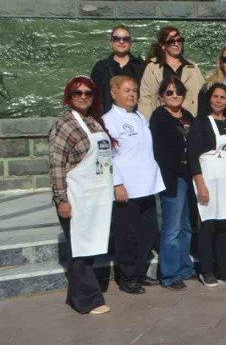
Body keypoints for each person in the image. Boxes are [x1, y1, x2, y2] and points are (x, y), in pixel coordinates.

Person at [48, 76, 114, 314]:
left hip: (95, 198)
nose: (84, 96)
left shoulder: (94, 123)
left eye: (88, 92)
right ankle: (88, 301)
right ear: (70, 96)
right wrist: (61, 199)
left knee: (88, 247)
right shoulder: (64, 125)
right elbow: (56, 165)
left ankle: (76, 297)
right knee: (80, 249)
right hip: (76, 198)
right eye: (78, 93)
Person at [102, 75, 164, 295]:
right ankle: (127, 278)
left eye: (134, 90)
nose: (132, 94)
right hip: (126, 189)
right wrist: (117, 184)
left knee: (148, 233)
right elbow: (108, 156)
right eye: (127, 90)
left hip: (146, 186)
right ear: (113, 93)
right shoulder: (109, 120)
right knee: (126, 236)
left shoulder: (139, 116)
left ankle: (138, 272)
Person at [187, 83, 226, 287]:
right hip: (208, 176)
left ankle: (223, 270)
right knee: (208, 225)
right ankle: (206, 270)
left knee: (222, 225)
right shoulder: (200, 122)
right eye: (215, 97)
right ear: (209, 99)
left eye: (223, 97)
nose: (219, 100)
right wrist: (200, 184)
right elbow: (192, 155)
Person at [148, 76, 195, 290]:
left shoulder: (187, 116)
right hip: (172, 178)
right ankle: (169, 274)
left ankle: (185, 267)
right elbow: (160, 151)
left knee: (185, 226)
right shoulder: (159, 117)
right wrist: (179, 167)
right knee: (172, 227)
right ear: (161, 96)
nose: (174, 95)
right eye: (169, 92)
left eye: (178, 92)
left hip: (188, 177)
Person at [139, 26, 205, 120]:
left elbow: (203, 98)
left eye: (179, 40)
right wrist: (148, 124)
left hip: (188, 123)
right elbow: (145, 100)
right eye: (171, 41)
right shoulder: (152, 68)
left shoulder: (193, 69)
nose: (176, 44)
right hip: (160, 122)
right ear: (163, 45)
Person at [90, 25, 146, 114]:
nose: (121, 41)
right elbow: (94, 96)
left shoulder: (140, 66)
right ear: (111, 43)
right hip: (107, 119)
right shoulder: (101, 67)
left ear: (130, 43)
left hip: (134, 117)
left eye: (126, 39)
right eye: (116, 38)